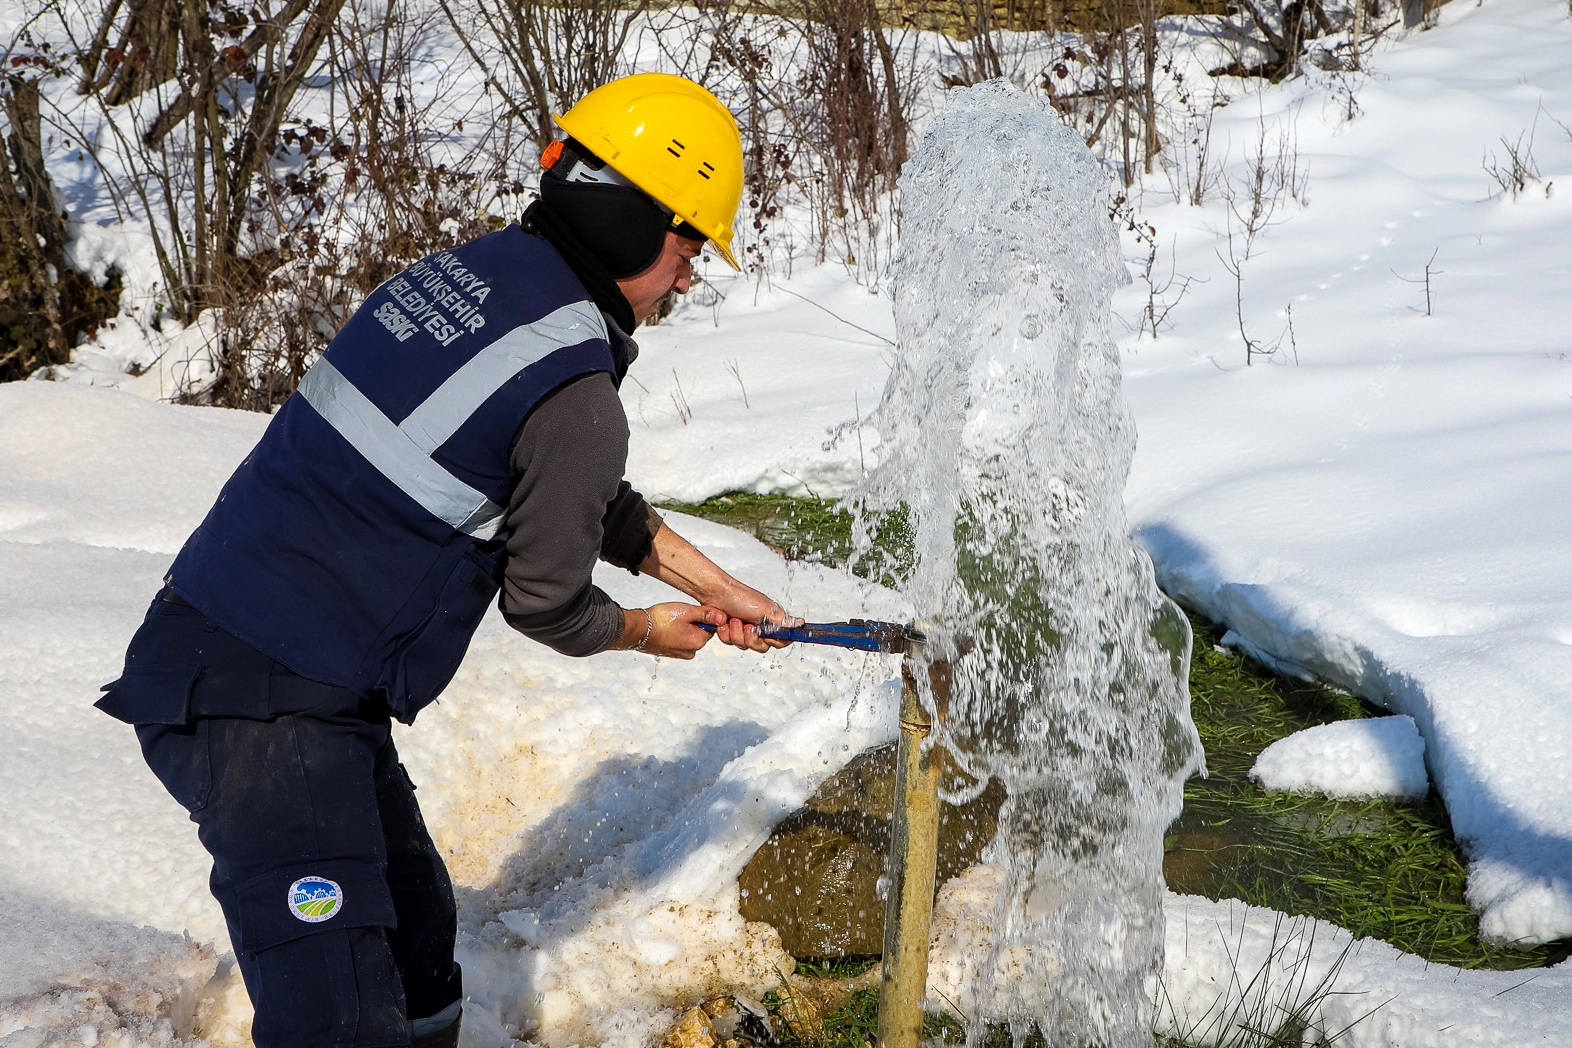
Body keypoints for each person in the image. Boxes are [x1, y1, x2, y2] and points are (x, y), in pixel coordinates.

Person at [97, 73, 798, 1048]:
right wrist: (643, 631)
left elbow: (553, 480)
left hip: (247, 658)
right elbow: (547, 603)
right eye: (687, 246)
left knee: (419, 944)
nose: (687, 277)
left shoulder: (464, 280)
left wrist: (716, 586)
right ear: (631, 220)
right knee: (343, 1022)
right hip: (264, 706)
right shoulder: (576, 390)